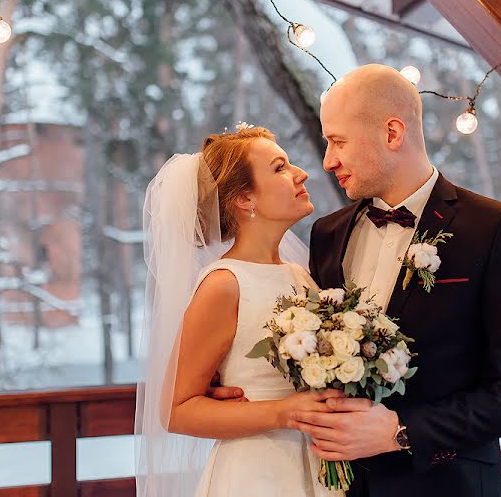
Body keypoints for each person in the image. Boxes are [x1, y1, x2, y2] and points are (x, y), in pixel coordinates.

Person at [295, 64, 501, 496]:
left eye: (338, 141)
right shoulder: (327, 233)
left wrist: (401, 429)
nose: (327, 161)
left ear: (393, 133)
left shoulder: (494, 228)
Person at [135, 126, 346, 496]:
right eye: (280, 168)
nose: (301, 173)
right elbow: (174, 410)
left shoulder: (300, 274)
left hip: (315, 465)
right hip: (257, 475)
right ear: (245, 198)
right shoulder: (224, 283)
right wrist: (283, 412)